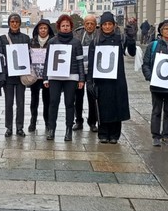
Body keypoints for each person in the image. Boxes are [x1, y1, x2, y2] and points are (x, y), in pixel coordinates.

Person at [87, 11, 136, 144]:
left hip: (117, 79)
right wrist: (89, 81)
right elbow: (91, 63)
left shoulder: (121, 38)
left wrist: (131, 39)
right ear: (101, 26)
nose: (107, 27)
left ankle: (115, 134)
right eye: (105, 24)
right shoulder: (95, 42)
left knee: (116, 106)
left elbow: (131, 53)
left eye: (110, 24)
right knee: (102, 106)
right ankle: (103, 133)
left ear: (114, 25)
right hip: (101, 80)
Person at [43, 14, 85, 141]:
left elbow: (80, 62)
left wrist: (81, 79)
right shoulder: (51, 42)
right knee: (53, 102)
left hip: (71, 77)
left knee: (69, 103)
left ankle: (68, 130)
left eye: (67, 25)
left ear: (71, 27)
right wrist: (45, 77)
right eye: (63, 26)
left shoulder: (76, 42)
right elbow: (47, 61)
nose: (65, 28)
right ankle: (51, 129)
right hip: (55, 76)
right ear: (59, 27)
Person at [0, 13, 30, 137]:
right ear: (9, 23)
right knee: (8, 103)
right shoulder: (2, 38)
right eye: (12, 22)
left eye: (17, 22)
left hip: (21, 76)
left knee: (20, 102)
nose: (14, 24)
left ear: (20, 23)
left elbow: (29, 56)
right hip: (8, 76)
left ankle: (19, 127)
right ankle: (8, 127)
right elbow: (0, 57)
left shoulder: (25, 38)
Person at [142, 19, 168, 146]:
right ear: (161, 31)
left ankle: (166, 134)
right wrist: (150, 77)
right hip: (157, 85)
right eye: (165, 29)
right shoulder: (153, 46)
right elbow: (146, 64)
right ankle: (156, 135)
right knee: (156, 110)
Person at [72, 15, 98, 133]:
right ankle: (78, 120)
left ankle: (92, 122)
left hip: (94, 70)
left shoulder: (99, 34)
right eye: (87, 23)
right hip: (80, 69)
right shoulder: (78, 34)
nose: (89, 26)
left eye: (92, 23)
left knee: (92, 97)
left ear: (95, 24)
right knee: (78, 97)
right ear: (84, 23)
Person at [28, 19, 54, 132]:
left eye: (45, 28)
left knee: (47, 100)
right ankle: (33, 121)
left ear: (48, 29)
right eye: (41, 28)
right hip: (35, 76)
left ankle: (47, 122)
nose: (43, 30)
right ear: (37, 29)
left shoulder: (53, 42)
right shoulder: (31, 41)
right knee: (34, 99)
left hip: (47, 76)